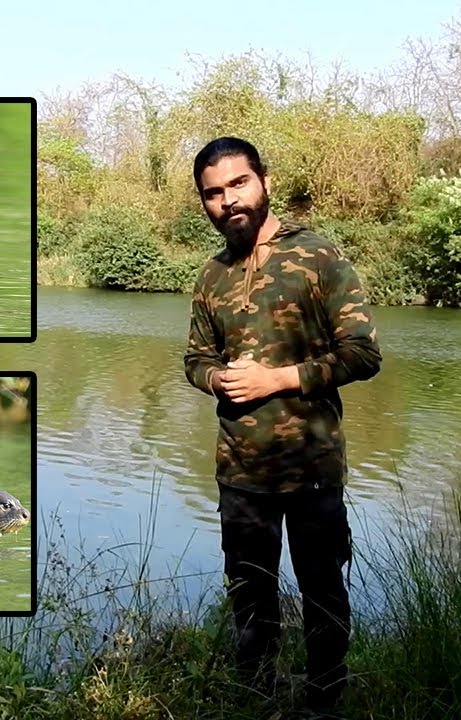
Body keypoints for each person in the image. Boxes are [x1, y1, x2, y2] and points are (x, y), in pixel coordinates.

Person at [183, 137, 382, 716]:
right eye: (213, 193)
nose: (228, 200)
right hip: (240, 471)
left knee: (323, 595)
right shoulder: (211, 275)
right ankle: (254, 700)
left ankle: (324, 704)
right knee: (249, 597)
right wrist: (219, 380)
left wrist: (277, 379)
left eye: (238, 183)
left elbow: (363, 354)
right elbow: (195, 359)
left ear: (264, 181)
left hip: (310, 467)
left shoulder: (318, 256)